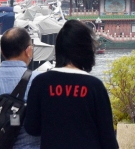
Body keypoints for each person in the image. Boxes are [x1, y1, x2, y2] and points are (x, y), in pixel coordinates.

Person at [23, 20, 118, 149]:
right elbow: (108, 138)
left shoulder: (40, 82)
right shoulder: (95, 86)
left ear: (58, 49)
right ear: (87, 50)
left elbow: (32, 128)